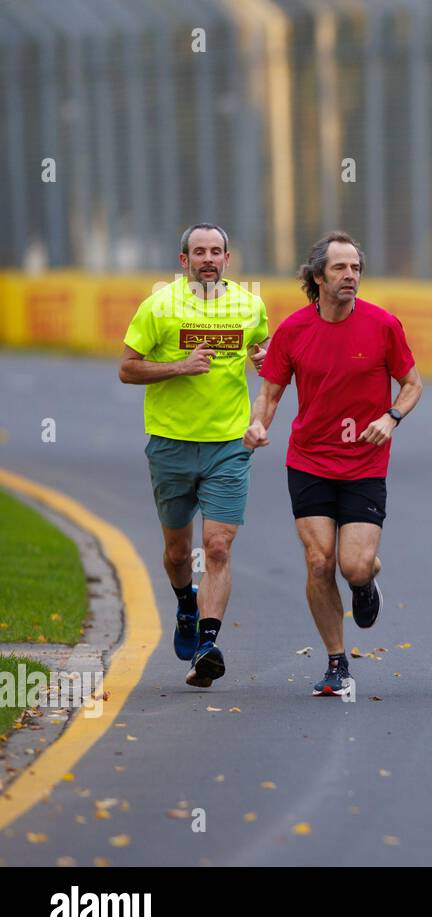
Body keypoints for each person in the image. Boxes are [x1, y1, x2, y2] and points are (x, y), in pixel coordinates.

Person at [244, 231, 422, 697]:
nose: (351, 276)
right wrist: (258, 425)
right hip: (309, 459)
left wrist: (392, 416)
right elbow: (270, 392)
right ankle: (337, 662)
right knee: (319, 560)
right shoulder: (293, 331)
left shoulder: (383, 325)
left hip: (365, 462)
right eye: (341, 268)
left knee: (354, 566)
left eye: (356, 268)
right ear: (317, 276)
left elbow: (412, 384)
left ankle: (366, 584)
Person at [119, 223, 269, 688]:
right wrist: (179, 367)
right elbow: (127, 368)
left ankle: (207, 644)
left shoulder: (249, 306)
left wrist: (261, 360)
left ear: (227, 259)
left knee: (219, 546)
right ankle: (186, 602)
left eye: (217, 251)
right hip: (171, 443)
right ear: (184, 261)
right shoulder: (159, 306)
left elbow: (261, 351)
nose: (208, 258)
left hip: (228, 444)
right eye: (199, 251)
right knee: (178, 551)